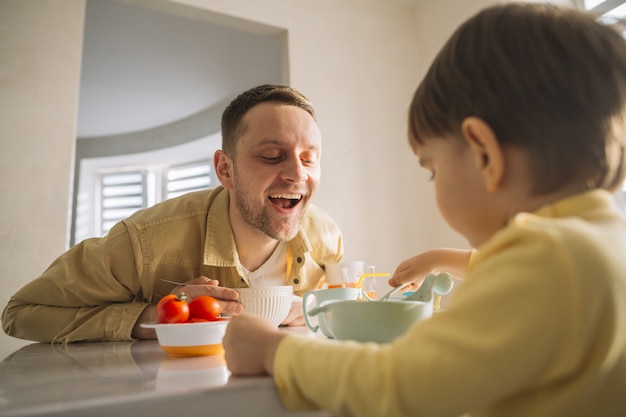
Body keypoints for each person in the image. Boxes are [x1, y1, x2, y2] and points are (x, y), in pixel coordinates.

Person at [222, 4, 626, 416]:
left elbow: (398, 384)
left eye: (432, 168)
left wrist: (273, 351)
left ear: (484, 154)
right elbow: (514, 267)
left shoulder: (552, 261)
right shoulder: (598, 244)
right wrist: (438, 260)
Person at [2, 84, 343, 343]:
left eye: (310, 158)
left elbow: (340, 317)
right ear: (225, 169)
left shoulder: (326, 237)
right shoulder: (145, 243)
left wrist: (313, 311)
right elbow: (20, 314)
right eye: (272, 155)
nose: (298, 174)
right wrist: (153, 317)